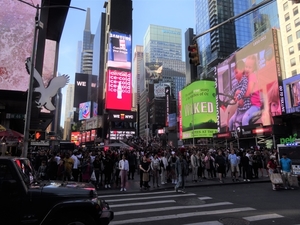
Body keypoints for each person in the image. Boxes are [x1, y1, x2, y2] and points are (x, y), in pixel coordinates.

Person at [228, 60, 251, 131]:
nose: (235, 76)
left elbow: (243, 91)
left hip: (245, 108)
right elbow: (232, 91)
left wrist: (237, 97)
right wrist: (227, 96)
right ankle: (231, 138)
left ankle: (245, 134)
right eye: (234, 74)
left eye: (236, 73)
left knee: (239, 122)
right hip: (239, 109)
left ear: (242, 70)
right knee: (230, 122)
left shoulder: (245, 80)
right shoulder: (238, 84)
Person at [242, 54, 262, 126]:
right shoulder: (245, 78)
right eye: (246, 66)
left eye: (249, 67)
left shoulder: (252, 76)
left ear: (254, 69)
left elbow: (248, 93)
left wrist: (240, 95)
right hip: (249, 106)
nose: (247, 69)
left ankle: (247, 134)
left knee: (245, 118)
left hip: (255, 106)